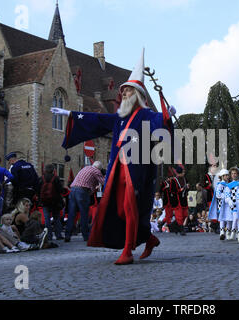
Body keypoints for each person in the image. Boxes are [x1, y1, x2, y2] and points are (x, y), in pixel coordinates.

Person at [51, 49, 176, 265]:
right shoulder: (119, 118)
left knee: (129, 206)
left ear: (137, 95)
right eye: (123, 92)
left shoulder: (146, 115)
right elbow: (98, 120)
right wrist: (71, 114)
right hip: (118, 166)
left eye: (127, 92)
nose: (123, 95)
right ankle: (148, 237)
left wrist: (167, 116)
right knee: (119, 208)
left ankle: (127, 251)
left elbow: (160, 125)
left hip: (135, 166)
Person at [64, 162, 105, 242]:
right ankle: (86, 236)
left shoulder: (85, 168)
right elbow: (103, 182)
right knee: (84, 214)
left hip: (73, 190)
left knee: (72, 214)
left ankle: (67, 235)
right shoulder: (96, 171)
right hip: (82, 192)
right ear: (99, 168)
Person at [38, 164, 65, 241]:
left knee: (47, 219)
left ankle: (48, 236)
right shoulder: (56, 178)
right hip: (55, 201)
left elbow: (37, 189)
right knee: (56, 218)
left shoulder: (41, 178)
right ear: (53, 170)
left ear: (45, 170)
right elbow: (60, 190)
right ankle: (58, 235)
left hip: (44, 201)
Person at [170, 166, 190, 236]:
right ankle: (181, 229)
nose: (183, 174)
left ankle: (174, 226)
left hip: (184, 199)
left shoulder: (185, 179)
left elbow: (187, 188)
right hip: (177, 200)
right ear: (179, 173)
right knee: (179, 216)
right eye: (182, 173)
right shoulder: (174, 180)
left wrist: (187, 187)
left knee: (185, 215)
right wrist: (180, 190)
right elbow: (172, 191)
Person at [225, 167, 239, 242]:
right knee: (236, 218)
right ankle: (235, 233)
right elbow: (227, 195)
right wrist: (229, 201)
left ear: (238, 174)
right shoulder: (229, 185)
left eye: (235, 173)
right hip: (233, 205)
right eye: (232, 173)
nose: (233, 175)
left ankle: (238, 234)